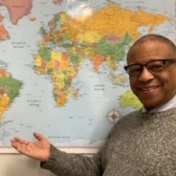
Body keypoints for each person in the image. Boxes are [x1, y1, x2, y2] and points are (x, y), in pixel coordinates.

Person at [11, 33, 176, 176]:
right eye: (136, 69)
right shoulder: (126, 123)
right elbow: (98, 169)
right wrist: (51, 156)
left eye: (156, 66)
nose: (145, 77)